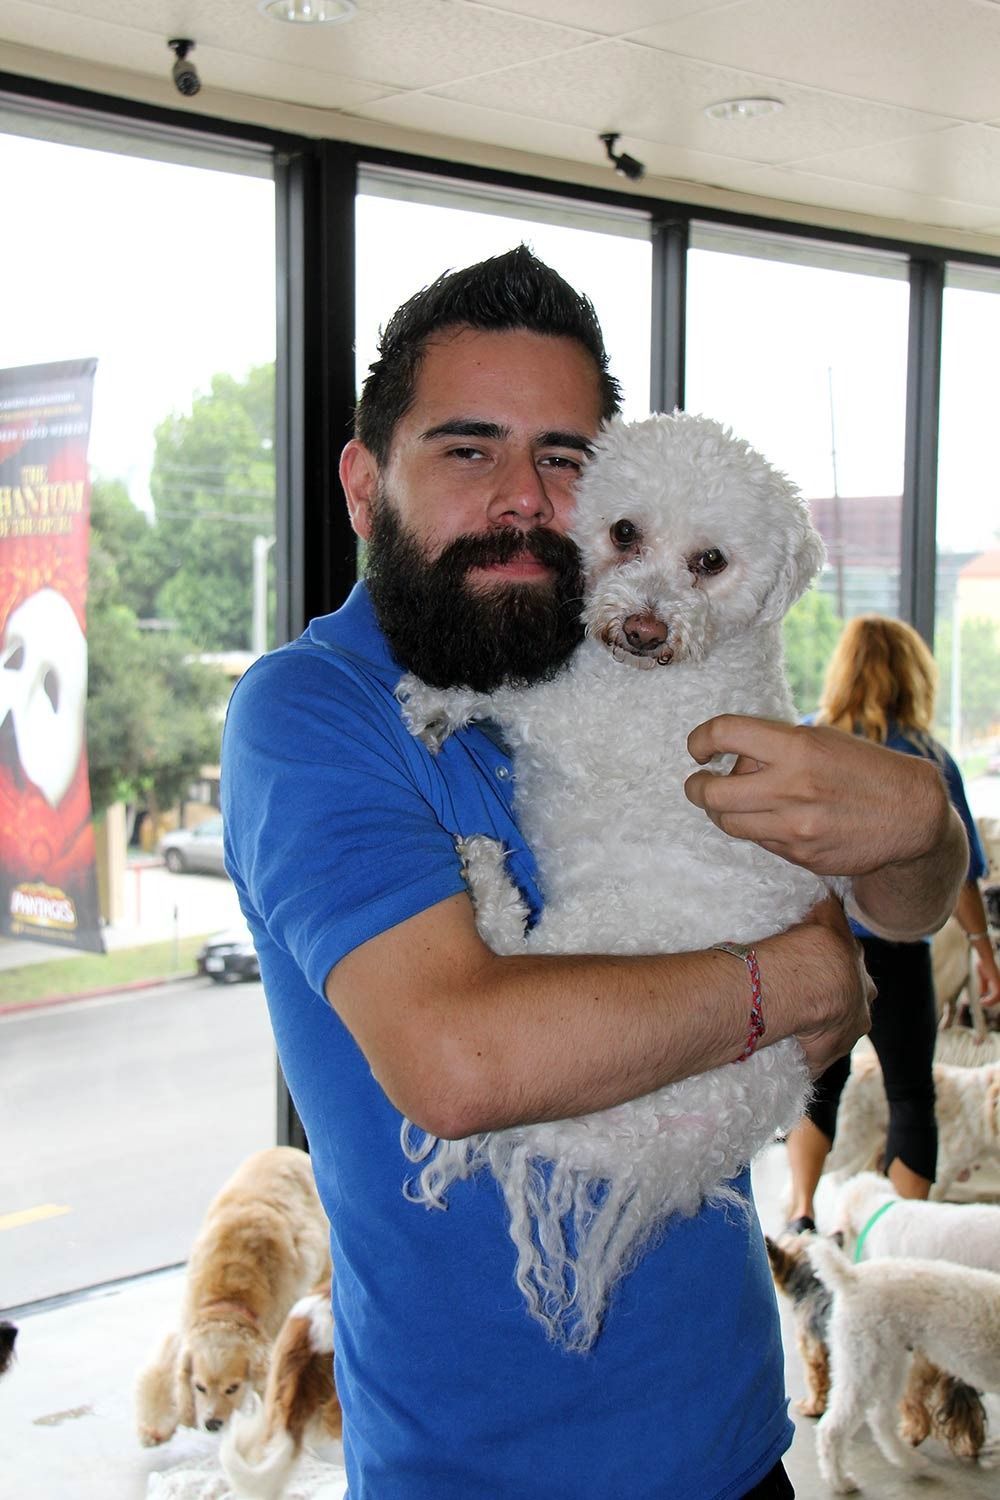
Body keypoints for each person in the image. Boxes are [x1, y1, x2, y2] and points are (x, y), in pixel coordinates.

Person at [221, 248, 968, 1500]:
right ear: (361, 483)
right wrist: (791, 981)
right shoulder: (314, 714)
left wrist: (920, 828)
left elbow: (895, 901)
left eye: (562, 459)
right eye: (468, 450)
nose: (524, 498)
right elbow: (461, 1066)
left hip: (737, 1444)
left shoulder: (642, 664)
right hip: (478, 1476)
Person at [784, 614, 999, 1234]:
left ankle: (800, 1212)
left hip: (819, 943)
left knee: (817, 1082)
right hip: (900, 950)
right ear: (914, 676)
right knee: (910, 1094)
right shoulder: (928, 760)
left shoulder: (808, 745)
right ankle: (903, 1234)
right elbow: (960, 876)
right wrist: (984, 953)